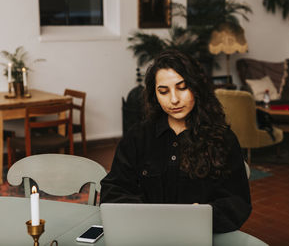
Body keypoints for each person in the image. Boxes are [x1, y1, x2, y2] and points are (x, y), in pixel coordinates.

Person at [100, 49, 252, 233]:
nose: (174, 99)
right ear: (154, 95)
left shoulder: (223, 139)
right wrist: (143, 213)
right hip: (146, 233)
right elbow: (113, 189)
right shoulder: (137, 137)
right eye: (163, 92)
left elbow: (238, 201)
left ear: (197, 88)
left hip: (198, 234)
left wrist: (206, 214)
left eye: (182, 88)